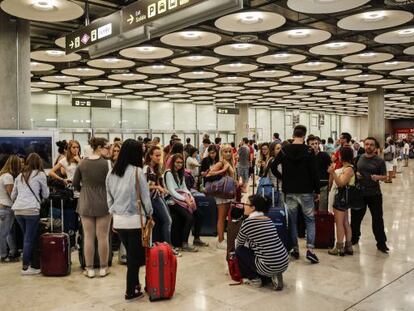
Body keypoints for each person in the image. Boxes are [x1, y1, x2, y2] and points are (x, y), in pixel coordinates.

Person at [106, 139, 153, 300]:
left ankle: (135, 285)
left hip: (119, 221)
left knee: (133, 256)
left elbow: (109, 198)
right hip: (135, 220)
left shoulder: (111, 173)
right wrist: (150, 213)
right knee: (135, 259)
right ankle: (130, 291)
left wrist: (113, 215)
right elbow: (146, 198)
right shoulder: (137, 172)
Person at [271, 125, 320, 264]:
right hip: (306, 190)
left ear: (293, 135)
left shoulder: (285, 149)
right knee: (309, 220)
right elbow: (314, 172)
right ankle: (310, 250)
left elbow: (273, 166)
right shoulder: (309, 150)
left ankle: (295, 249)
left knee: (292, 221)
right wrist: (317, 190)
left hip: (290, 190)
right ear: (304, 136)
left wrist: (282, 177)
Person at [72, 137, 112, 278]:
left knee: (88, 236)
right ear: (99, 147)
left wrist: (84, 189)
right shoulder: (107, 164)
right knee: (103, 236)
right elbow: (111, 184)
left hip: (86, 202)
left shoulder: (82, 163)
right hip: (103, 202)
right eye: (107, 147)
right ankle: (103, 267)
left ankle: (89, 269)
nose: (109, 150)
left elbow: (75, 183)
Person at [235, 194, 289, 290]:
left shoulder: (248, 222)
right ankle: (273, 274)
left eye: (246, 204)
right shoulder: (268, 220)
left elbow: (239, 243)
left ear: (253, 208)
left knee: (240, 251)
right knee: (260, 251)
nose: (244, 206)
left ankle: (254, 279)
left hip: (267, 265)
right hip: (284, 261)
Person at [11, 153, 49, 275]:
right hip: (31, 210)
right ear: (39, 162)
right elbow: (46, 194)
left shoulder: (20, 176)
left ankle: (33, 264)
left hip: (18, 210)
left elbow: (13, 195)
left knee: (27, 238)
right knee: (29, 239)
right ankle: (26, 268)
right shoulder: (40, 174)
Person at [351, 137, 389, 253]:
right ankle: (354, 238)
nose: (368, 146)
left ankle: (381, 243)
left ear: (375, 147)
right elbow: (353, 170)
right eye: (366, 144)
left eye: (371, 145)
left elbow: (385, 176)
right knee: (356, 218)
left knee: (377, 219)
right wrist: (356, 174)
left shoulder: (379, 161)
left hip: (374, 194)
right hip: (360, 193)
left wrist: (378, 177)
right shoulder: (359, 158)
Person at [143, 146, 178, 255]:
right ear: (150, 156)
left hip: (157, 197)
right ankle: (168, 246)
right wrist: (157, 187)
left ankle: (164, 246)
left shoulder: (156, 168)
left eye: (159, 155)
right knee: (167, 220)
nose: (158, 158)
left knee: (163, 221)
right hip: (152, 199)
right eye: (156, 155)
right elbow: (142, 186)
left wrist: (162, 188)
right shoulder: (146, 168)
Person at [164, 154, 200, 252]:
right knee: (189, 217)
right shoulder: (169, 173)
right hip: (171, 200)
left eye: (181, 162)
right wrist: (185, 200)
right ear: (173, 163)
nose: (179, 165)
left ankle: (196, 238)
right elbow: (172, 191)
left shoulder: (180, 173)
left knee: (198, 213)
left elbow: (184, 188)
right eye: (177, 162)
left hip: (181, 198)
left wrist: (191, 197)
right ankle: (185, 243)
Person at [206, 144, 236, 250]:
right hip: (222, 194)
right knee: (222, 217)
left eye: (229, 151)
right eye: (225, 151)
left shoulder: (231, 162)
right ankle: (220, 240)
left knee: (229, 217)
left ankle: (225, 238)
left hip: (230, 193)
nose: (228, 153)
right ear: (221, 153)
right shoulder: (220, 163)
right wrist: (223, 170)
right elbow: (209, 174)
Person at [327, 147, 355, 256]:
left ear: (341, 156)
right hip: (345, 199)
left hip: (341, 199)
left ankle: (339, 247)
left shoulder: (348, 169)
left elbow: (341, 184)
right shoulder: (350, 168)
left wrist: (333, 173)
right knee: (345, 222)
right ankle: (348, 245)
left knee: (339, 223)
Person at [0, 155, 22, 262]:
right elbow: (11, 194)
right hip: (7, 208)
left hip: (3, 207)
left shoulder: (2, 175)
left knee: (9, 233)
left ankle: (13, 252)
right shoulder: (8, 177)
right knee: (4, 233)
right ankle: (3, 255)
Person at [307, 135, 331, 212]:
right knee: (310, 210)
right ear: (308, 146)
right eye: (312, 144)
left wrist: (329, 185)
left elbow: (330, 170)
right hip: (310, 187)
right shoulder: (306, 157)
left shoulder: (324, 155)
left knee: (322, 210)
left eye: (316, 143)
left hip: (323, 186)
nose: (315, 146)